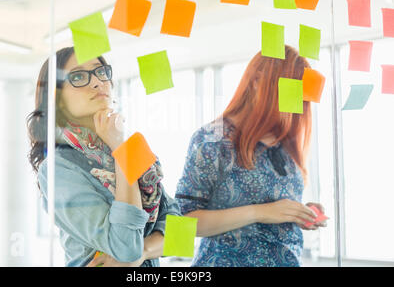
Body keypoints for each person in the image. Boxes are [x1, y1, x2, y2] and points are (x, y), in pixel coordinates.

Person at [26, 46, 181, 267]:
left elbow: (182, 231)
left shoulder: (131, 147)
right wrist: (120, 150)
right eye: (78, 76)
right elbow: (125, 247)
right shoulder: (58, 168)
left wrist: (144, 252)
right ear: (57, 98)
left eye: (100, 72)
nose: (97, 82)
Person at [175, 45, 327, 267]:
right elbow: (182, 225)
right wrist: (260, 212)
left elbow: (273, 207)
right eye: (289, 93)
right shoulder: (211, 139)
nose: (293, 107)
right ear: (257, 81)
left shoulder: (284, 144)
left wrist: (297, 213)